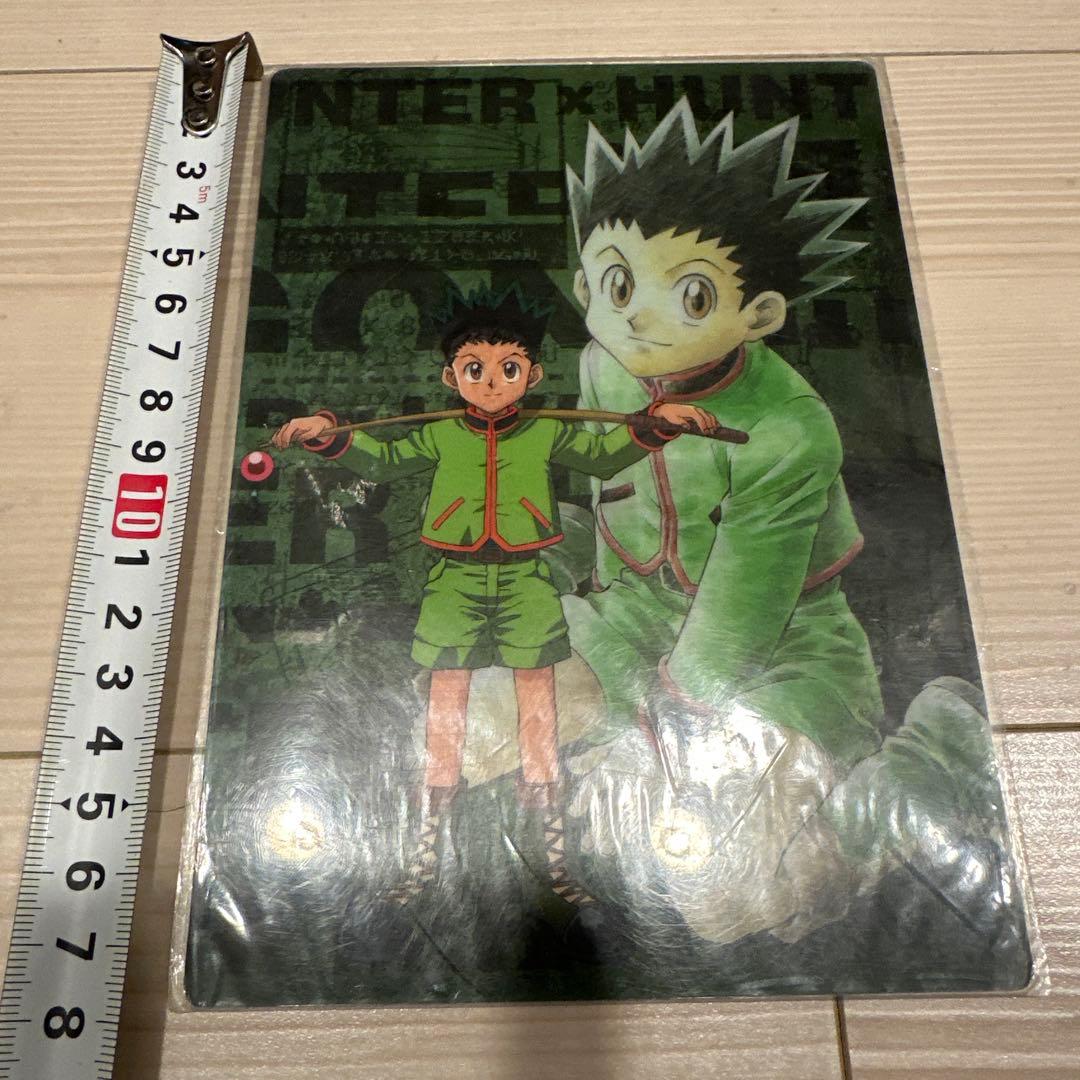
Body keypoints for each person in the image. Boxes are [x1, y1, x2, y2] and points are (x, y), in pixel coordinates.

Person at [272, 284, 719, 906]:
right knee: (445, 709)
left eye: (508, 369)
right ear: (450, 377)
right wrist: (327, 435)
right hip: (453, 580)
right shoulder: (441, 434)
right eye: (473, 370)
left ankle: (556, 861)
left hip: (525, 579)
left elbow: (601, 455)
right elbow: (382, 460)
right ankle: (424, 856)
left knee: (540, 711)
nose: (490, 383)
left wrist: (657, 427)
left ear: (531, 375)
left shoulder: (543, 432)